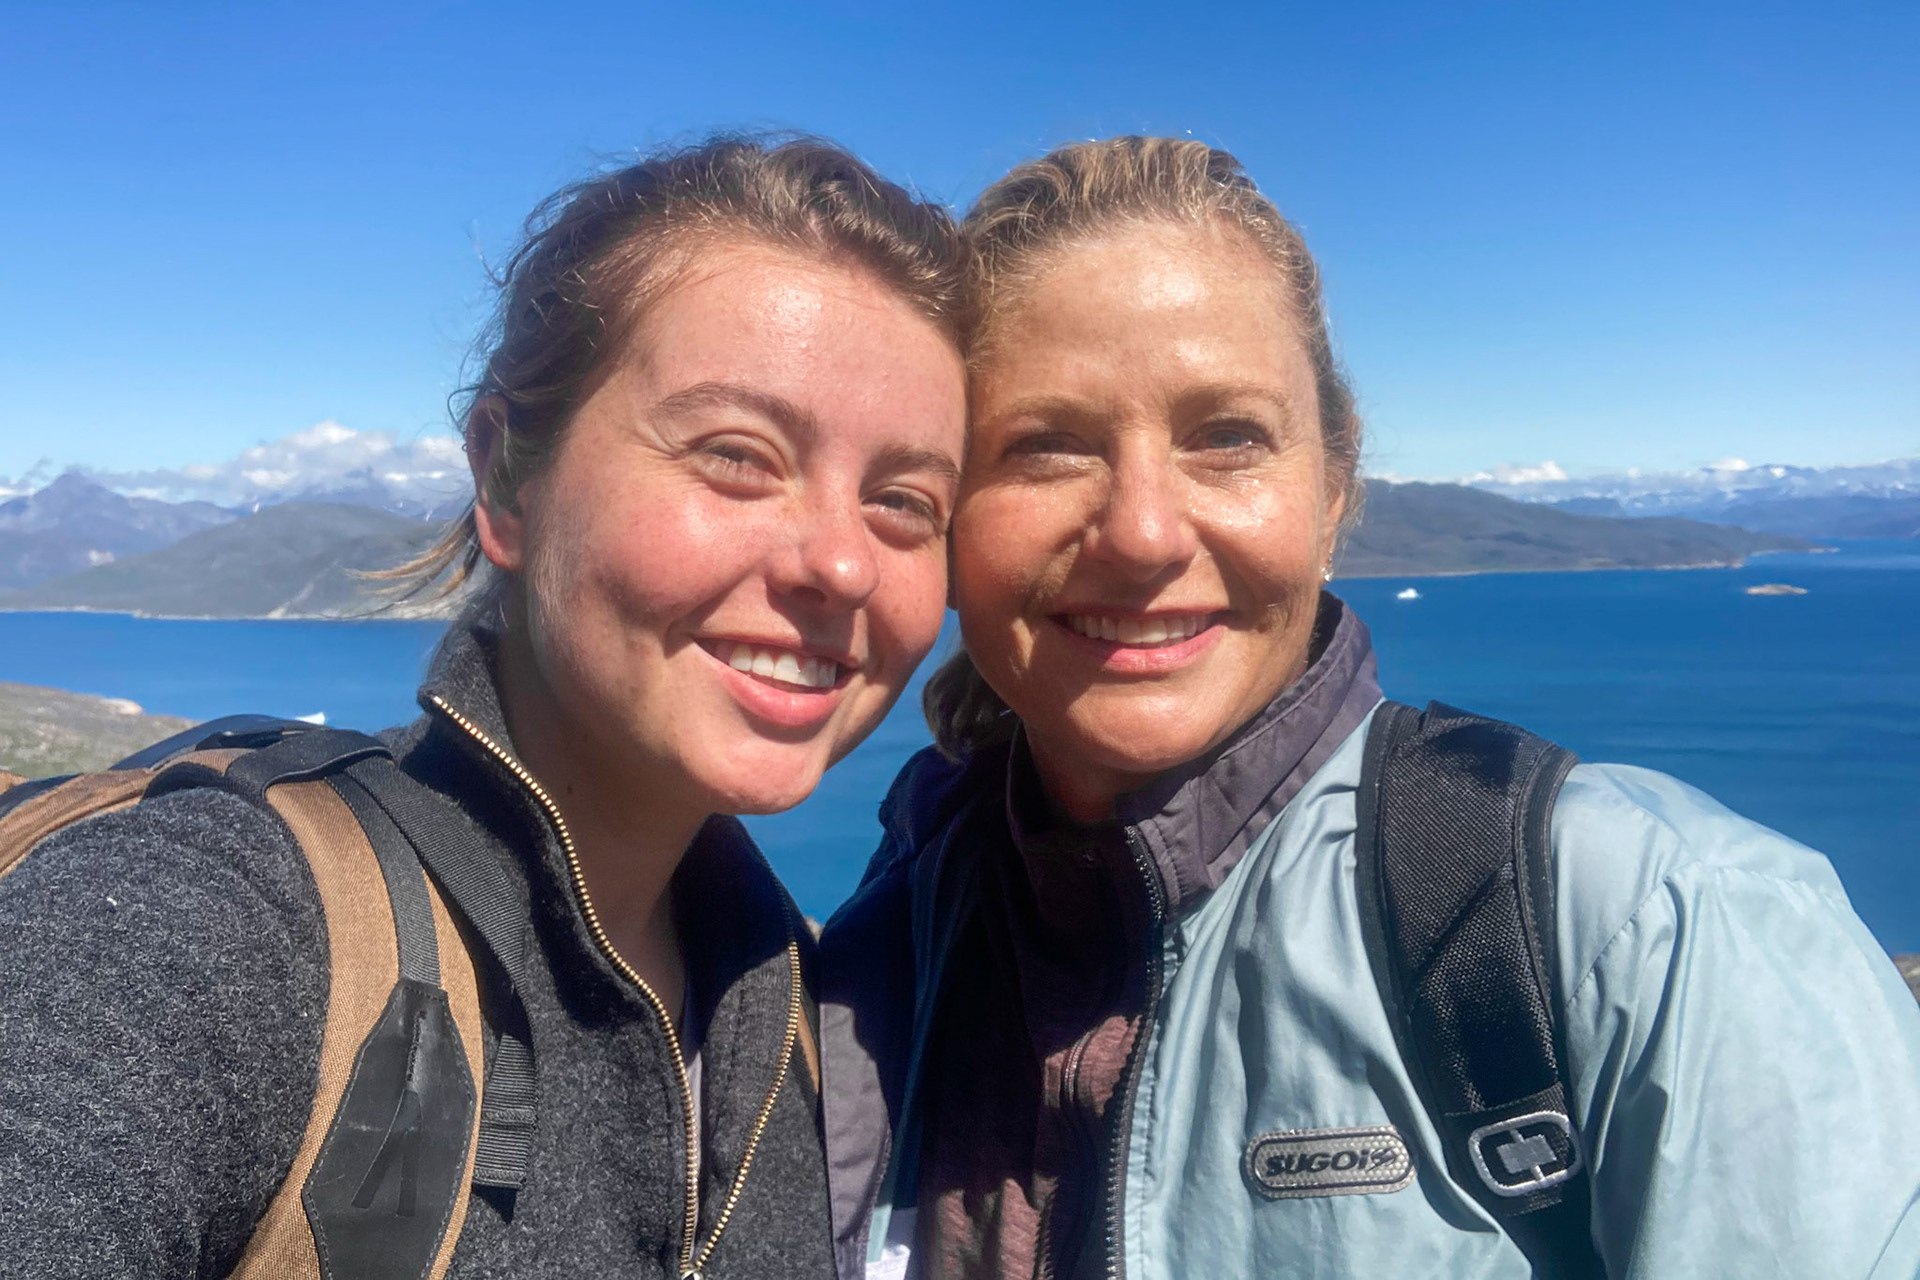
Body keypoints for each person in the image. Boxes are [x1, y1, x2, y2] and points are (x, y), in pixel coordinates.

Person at [819, 137, 1920, 1280]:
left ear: (1333, 486)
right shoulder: (892, 925)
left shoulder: (1656, 927)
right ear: (946, 507)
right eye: (1044, 446)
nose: (1142, 531)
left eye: (1227, 437)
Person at [0, 134, 968, 1278]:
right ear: (509, 476)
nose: (844, 566)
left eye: (904, 500)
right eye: (738, 456)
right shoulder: (215, 921)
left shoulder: (821, 1024)